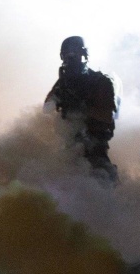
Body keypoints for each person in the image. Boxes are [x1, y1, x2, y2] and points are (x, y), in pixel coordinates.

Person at [44, 36, 119, 184]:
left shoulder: (99, 81)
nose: (70, 57)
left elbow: (107, 116)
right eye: (67, 53)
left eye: (74, 52)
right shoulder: (62, 84)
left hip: (94, 150)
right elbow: (46, 108)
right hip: (69, 150)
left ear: (83, 54)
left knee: (102, 185)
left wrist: (81, 108)